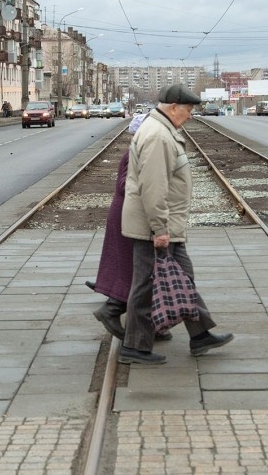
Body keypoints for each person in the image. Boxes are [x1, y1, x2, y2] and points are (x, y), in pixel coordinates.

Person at [119, 84, 233, 365]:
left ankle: (200, 333)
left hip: (165, 223)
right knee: (145, 285)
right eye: (189, 110)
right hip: (154, 226)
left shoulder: (163, 130)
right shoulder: (158, 136)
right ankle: (134, 346)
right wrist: (160, 230)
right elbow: (154, 187)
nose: (191, 116)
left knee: (183, 275)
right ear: (173, 108)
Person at [91, 114, 172, 342]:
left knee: (145, 272)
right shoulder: (134, 154)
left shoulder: (142, 151)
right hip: (129, 216)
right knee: (136, 272)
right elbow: (124, 184)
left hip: (135, 214)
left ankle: (151, 324)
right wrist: (151, 187)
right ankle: (113, 311)